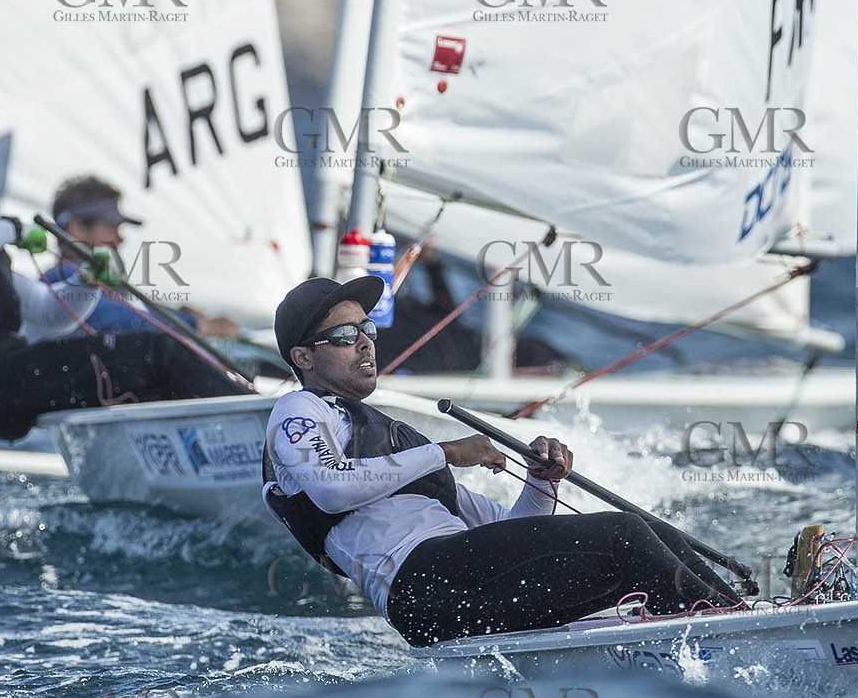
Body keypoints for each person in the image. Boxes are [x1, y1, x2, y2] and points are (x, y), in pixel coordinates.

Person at [262, 274, 744, 647]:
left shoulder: (385, 435)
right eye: (345, 334)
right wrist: (445, 452)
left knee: (647, 533)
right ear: (303, 357)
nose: (365, 342)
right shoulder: (298, 409)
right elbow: (328, 487)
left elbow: (510, 527)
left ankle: (737, 616)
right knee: (623, 535)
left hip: (462, 580)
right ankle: (735, 631)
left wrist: (540, 481)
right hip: (422, 586)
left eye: (367, 329)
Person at [0, 93, 248, 441]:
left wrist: (87, 282)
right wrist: (12, 228)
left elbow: (50, 313)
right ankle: (267, 433)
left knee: (154, 376)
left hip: (7, 383)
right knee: (161, 353)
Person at [41, 175, 241, 340]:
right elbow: (116, 320)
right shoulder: (57, 281)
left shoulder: (108, 287)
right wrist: (198, 325)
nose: (120, 239)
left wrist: (179, 314)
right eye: (111, 227)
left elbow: (132, 314)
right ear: (77, 228)